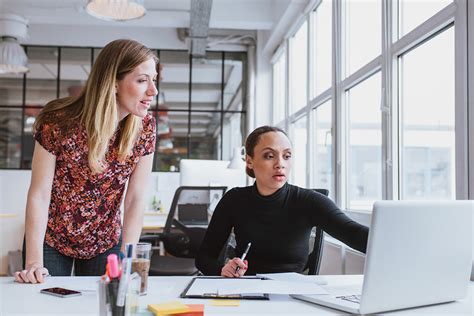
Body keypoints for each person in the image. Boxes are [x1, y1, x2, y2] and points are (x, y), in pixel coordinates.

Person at [14, 39, 158, 283]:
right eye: (142, 80)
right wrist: (33, 262)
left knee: (104, 307)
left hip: (105, 241)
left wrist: (127, 256)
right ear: (113, 83)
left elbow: (135, 198)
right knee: (43, 302)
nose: (153, 91)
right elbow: (39, 193)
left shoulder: (144, 128)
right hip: (51, 239)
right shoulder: (58, 121)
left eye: (154, 80)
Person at [196, 126, 369, 277]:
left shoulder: (309, 201)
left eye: (287, 156)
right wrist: (223, 269)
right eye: (269, 156)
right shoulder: (234, 200)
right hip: (245, 289)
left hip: (293, 295)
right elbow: (203, 258)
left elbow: (354, 234)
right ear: (249, 161)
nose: (280, 164)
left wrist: (392, 242)